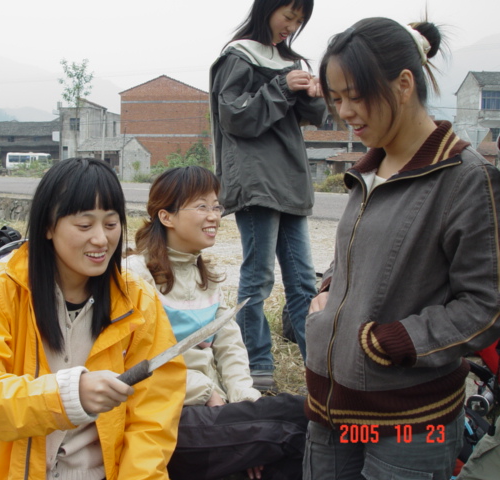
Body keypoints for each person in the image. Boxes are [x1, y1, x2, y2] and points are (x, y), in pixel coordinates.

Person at [304, 17, 500, 479]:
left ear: (404, 84)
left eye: (356, 96)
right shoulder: (367, 170)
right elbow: (356, 253)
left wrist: (395, 341)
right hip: (331, 405)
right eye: (336, 99)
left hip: (410, 420)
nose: (345, 112)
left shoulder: (466, 179)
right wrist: (329, 290)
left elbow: (485, 306)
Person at [0, 158, 186, 480]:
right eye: (84, 225)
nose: (101, 239)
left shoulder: (137, 299)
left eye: (111, 224)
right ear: (48, 226)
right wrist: (68, 396)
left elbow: (155, 412)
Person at [126, 166, 308, 480]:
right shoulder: (136, 275)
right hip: (168, 414)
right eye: (201, 206)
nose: (214, 216)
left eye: (216, 206)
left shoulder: (207, 277)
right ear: (166, 216)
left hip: (215, 412)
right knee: (300, 416)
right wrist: (209, 392)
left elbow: (230, 347)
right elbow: (137, 363)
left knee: (284, 461)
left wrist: (245, 405)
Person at [209, 0, 326, 388]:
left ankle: (319, 369)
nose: (291, 26)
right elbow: (234, 117)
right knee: (258, 278)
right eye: (287, 16)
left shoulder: (289, 60)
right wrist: (280, 86)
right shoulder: (239, 56)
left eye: (299, 20)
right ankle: (256, 368)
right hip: (257, 182)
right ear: (267, 9)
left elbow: (311, 116)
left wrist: (314, 93)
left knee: (303, 282)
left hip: (289, 179)